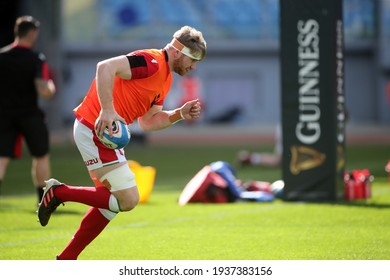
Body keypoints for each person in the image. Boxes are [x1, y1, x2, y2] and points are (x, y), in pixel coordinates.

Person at [38, 25, 207, 260]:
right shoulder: (152, 61)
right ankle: (59, 193)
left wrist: (179, 113)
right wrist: (107, 110)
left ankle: (66, 259)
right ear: (178, 51)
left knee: (109, 205)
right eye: (193, 59)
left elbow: (148, 122)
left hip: (102, 134)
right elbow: (105, 67)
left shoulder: (166, 79)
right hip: (94, 128)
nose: (194, 66)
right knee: (127, 199)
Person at [0, 16, 56, 203]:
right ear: (32, 33)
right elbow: (43, 90)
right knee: (40, 156)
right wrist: (50, 87)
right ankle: (43, 201)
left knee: (1, 157)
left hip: (4, 114)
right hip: (29, 114)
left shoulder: (2, 56)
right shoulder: (36, 58)